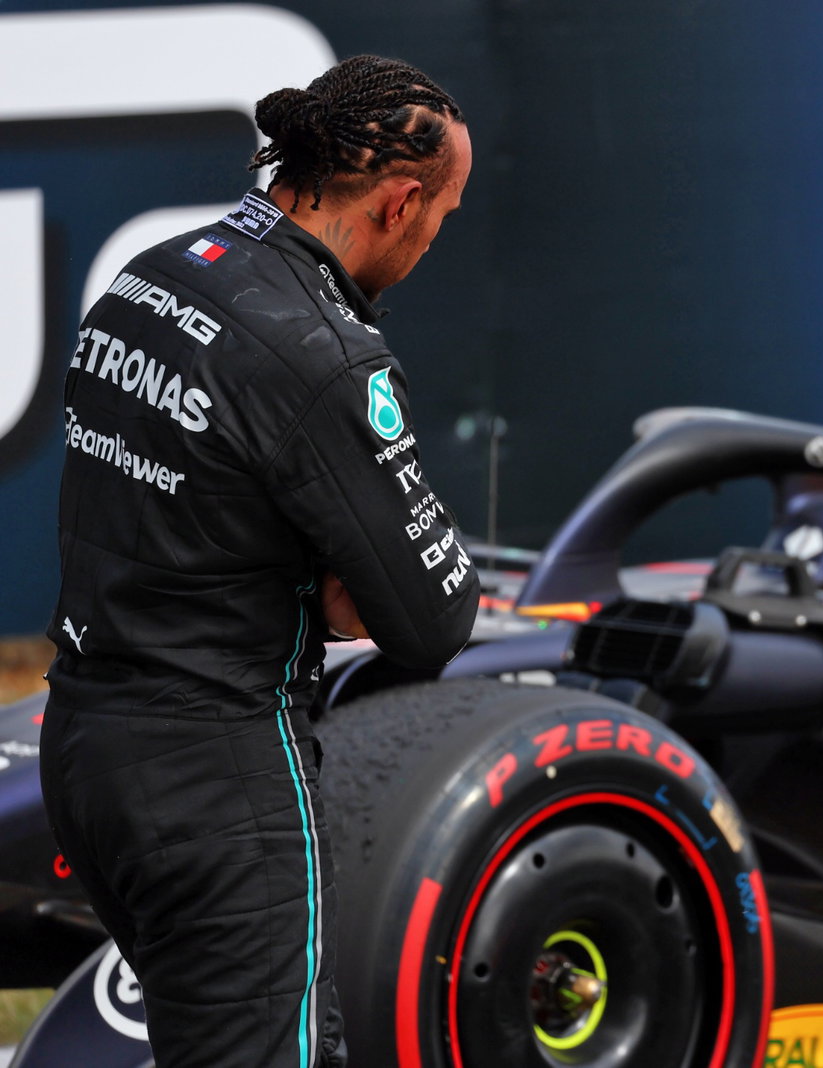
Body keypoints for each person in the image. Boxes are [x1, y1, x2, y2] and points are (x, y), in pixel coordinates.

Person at [38, 55, 480, 1067]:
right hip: (220, 778)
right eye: (440, 218)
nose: (428, 243)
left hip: (88, 747)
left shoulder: (151, 274)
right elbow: (433, 618)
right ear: (400, 200)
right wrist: (336, 574)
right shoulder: (326, 355)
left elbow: (173, 509)